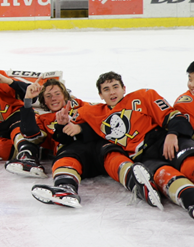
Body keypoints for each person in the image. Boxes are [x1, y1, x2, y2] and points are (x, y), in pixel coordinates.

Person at [62, 71, 194, 223]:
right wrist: (70, 125)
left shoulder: (144, 96)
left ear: (124, 88)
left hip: (165, 141)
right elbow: (70, 117)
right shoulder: (93, 112)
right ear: (100, 94)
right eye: (106, 89)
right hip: (144, 157)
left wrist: (173, 134)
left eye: (115, 87)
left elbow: (174, 116)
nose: (112, 92)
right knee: (166, 175)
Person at [30, 79, 162, 210]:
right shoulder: (42, 119)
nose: (53, 98)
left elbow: (104, 120)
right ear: (44, 101)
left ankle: (138, 184)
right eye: (48, 96)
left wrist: (80, 128)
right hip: (74, 153)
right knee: (65, 157)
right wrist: (61, 125)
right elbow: (39, 134)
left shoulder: (83, 106)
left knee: (112, 153)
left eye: (57, 94)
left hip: (99, 147)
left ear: (65, 95)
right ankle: (65, 188)